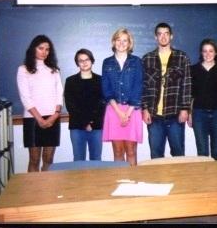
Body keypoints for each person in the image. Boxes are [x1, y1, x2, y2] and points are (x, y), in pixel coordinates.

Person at [142, 22, 192, 159]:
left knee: (178, 154)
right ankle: (157, 181)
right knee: (156, 155)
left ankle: (178, 181)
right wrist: (144, 109)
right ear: (155, 37)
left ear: (171, 36)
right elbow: (143, 87)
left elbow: (187, 85)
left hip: (175, 115)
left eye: (166, 34)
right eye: (160, 34)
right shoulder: (147, 59)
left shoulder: (182, 57)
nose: (163, 37)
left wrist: (185, 109)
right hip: (154, 116)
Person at [16, 35, 63, 172]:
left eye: (47, 49)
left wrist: (55, 115)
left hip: (53, 118)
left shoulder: (54, 70)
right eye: (41, 48)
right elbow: (25, 97)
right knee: (34, 159)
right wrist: (40, 119)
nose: (44, 52)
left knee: (49, 159)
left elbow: (59, 94)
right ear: (33, 49)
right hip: (33, 119)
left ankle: (47, 192)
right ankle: (33, 192)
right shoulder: (23, 69)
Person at [102, 28, 143, 166]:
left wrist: (128, 113)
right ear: (114, 42)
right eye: (118, 40)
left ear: (129, 43)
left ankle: (133, 184)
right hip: (114, 111)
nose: (121, 43)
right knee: (118, 152)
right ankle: (120, 183)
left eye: (125, 40)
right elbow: (106, 90)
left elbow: (138, 87)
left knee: (131, 151)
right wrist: (119, 112)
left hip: (132, 110)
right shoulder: (107, 62)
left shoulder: (136, 62)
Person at [188, 39, 217, 160]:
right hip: (199, 114)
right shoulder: (193, 70)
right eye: (205, 51)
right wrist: (190, 114)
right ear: (201, 53)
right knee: (202, 152)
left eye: (211, 51)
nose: (208, 54)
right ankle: (205, 179)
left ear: (216, 53)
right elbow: (190, 95)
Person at [64, 49, 105, 161]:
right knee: (78, 159)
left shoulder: (101, 80)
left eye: (87, 59)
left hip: (96, 126)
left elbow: (102, 104)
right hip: (77, 126)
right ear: (77, 63)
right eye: (81, 60)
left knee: (96, 159)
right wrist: (85, 123)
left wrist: (91, 123)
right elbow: (70, 105)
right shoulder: (70, 81)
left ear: (92, 61)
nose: (84, 62)